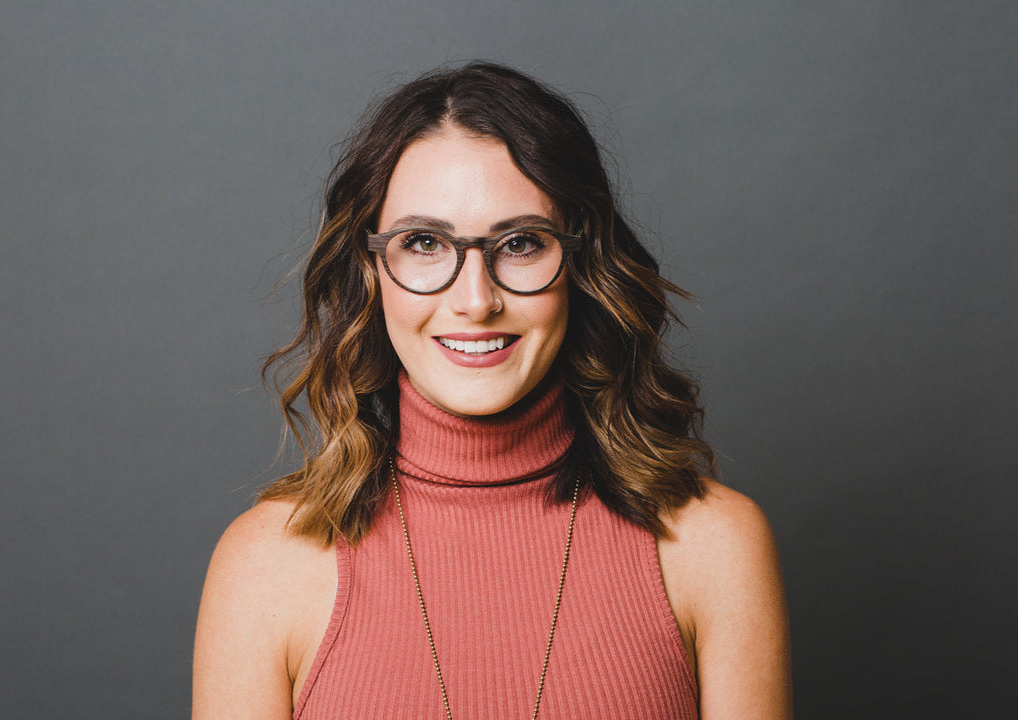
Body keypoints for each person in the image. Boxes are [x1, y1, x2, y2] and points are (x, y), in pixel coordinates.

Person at [192, 62, 792, 720]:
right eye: (423, 243)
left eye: (520, 243)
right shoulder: (265, 569)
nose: (475, 300)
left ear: (581, 264)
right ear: (371, 272)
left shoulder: (713, 549)